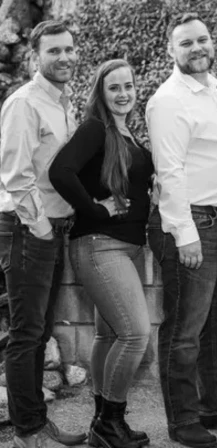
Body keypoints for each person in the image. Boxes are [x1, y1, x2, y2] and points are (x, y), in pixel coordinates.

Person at [145, 12, 217, 448]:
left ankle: (216, 405)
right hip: (193, 225)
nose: (197, 48)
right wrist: (184, 233)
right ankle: (183, 419)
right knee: (184, 329)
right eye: (186, 43)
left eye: (202, 40)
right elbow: (169, 170)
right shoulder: (169, 100)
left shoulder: (211, 91)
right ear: (171, 51)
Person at [49, 59, 153, 448]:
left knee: (109, 335)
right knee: (135, 333)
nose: (123, 94)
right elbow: (60, 171)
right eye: (114, 87)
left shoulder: (128, 133)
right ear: (101, 92)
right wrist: (94, 209)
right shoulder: (95, 128)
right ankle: (110, 423)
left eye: (128, 86)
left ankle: (101, 423)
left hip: (126, 247)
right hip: (99, 244)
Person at [0, 20, 87, 448]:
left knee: (39, 331)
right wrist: (42, 228)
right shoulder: (24, 104)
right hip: (27, 228)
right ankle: (27, 433)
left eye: (69, 49)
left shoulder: (63, 102)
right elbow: (16, 176)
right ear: (35, 57)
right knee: (26, 333)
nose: (64, 57)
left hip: (49, 228)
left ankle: (35, 421)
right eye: (54, 51)